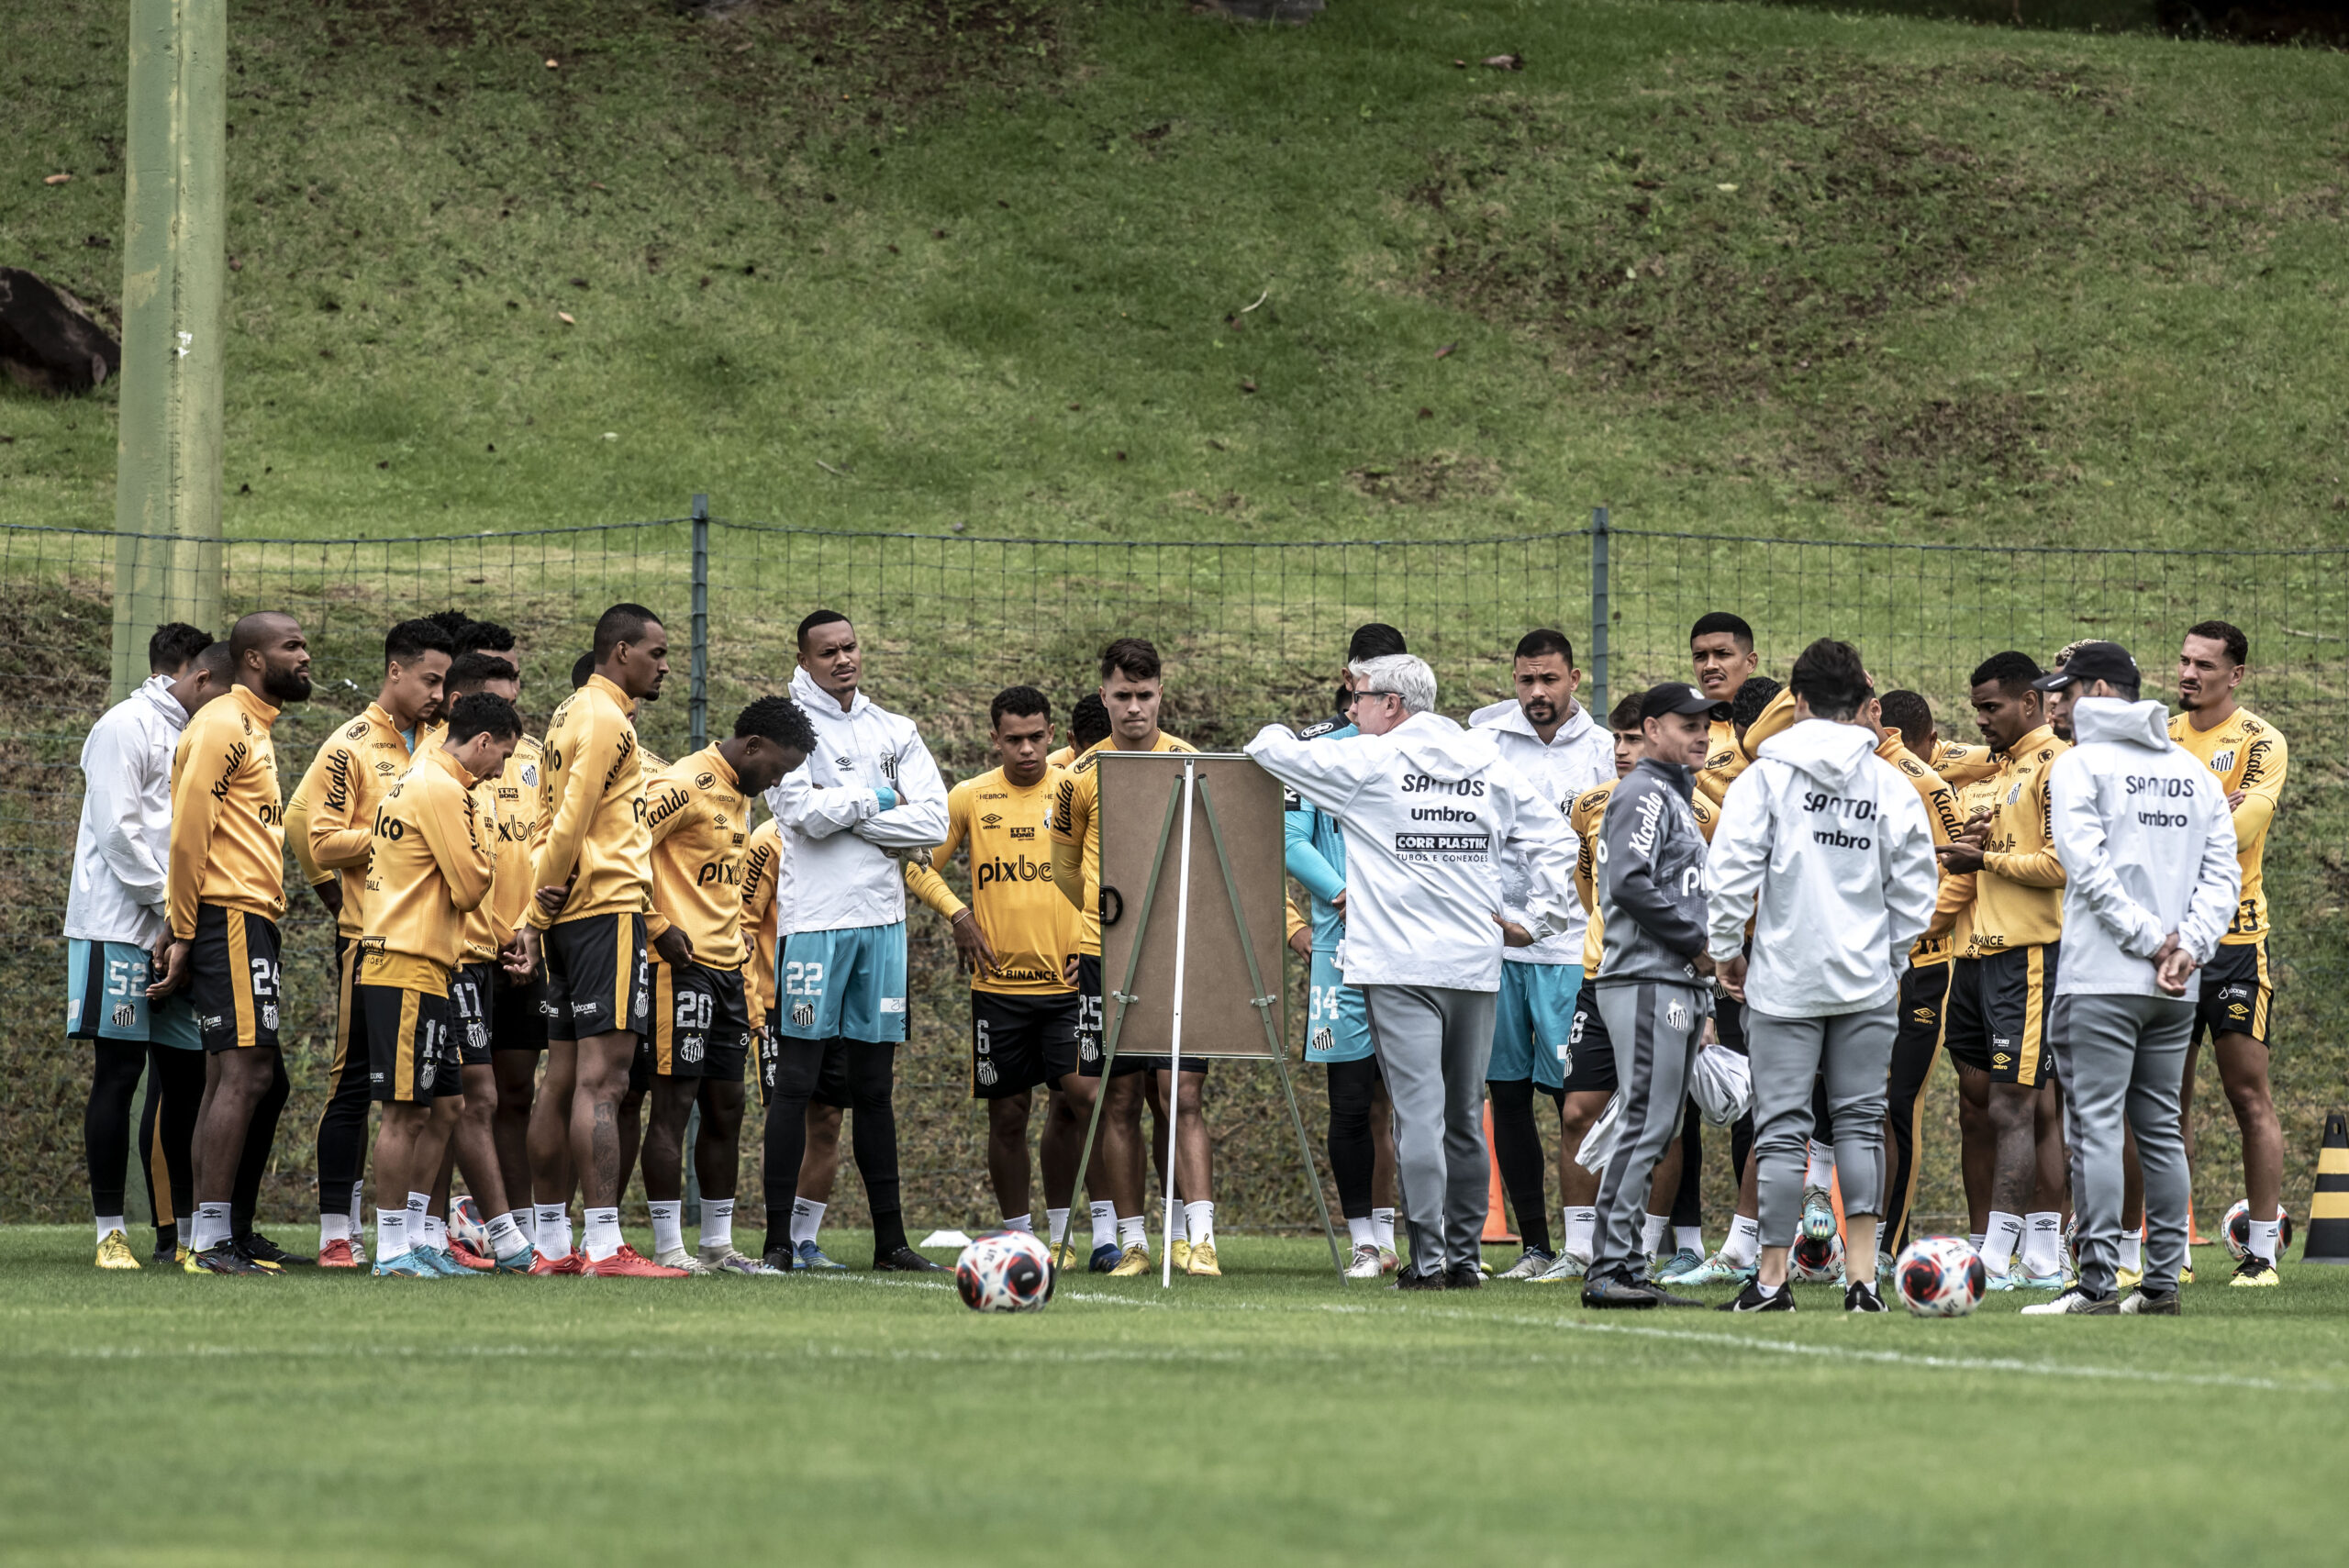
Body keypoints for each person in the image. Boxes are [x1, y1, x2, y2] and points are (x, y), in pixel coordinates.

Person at [1247, 652, 1576, 1290]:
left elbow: (1270, 751)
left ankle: (1426, 1262)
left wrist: (1287, 733)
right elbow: (1559, 841)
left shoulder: (1371, 761)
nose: (1351, 708)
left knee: (1418, 1115)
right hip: (1474, 964)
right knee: (1462, 1115)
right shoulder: (1485, 761)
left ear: (1392, 705)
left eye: (1360, 696)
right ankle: (1462, 1258)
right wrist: (1536, 921)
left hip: (1399, 966)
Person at [1705, 640, 1933, 1312]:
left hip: (1783, 980)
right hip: (1864, 981)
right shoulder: (1888, 782)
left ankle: (1772, 1279)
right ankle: (1863, 1280)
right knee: (1861, 1125)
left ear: (1798, 701)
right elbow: (1917, 889)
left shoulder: (1766, 778)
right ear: (1863, 701)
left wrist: (1727, 950)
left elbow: (1730, 874)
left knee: (1781, 1129)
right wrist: (1888, 958)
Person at [2022, 642, 2239, 1316]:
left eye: (2063, 689)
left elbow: (2086, 868)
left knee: (2092, 1129)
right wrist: (2189, 947)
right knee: (2160, 1130)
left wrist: (2152, 942)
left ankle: (2094, 1285)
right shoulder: (2192, 770)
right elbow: (2221, 879)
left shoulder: (2080, 765)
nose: (2054, 702)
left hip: (2102, 978)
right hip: (2176, 986)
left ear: (2099, 689)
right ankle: (2161, 1284)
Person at [762, 610, 951, 1273]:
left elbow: (935, 816)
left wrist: (845, 808)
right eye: (828, 652)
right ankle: (778, 1242)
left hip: (882, 923)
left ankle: (890, 1242)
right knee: (797, 1085)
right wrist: (876, 797)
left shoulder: (894, 728)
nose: (844, 659)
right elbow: (797, 814)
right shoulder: (789, 727)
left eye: (850, 647)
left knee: (874, 1088)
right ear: (805, 659)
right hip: (815, 925)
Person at [511, 603, 684, 1277]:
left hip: (569, 916)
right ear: (620, 650)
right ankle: (606, 1244)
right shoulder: (608, 719)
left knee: (561, 1080)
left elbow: (549, 817)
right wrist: (532, 912)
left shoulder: (566, 712)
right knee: (603, 1081)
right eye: (657, 652)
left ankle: (553, 1244)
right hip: (606, 910)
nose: (665, 664)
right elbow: (572, 821)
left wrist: (540, 907)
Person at [906, 686, 1100, 1260]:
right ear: (993, 738)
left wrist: (1093, 944)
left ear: (1054, 736)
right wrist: (958, 912)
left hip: (1069, 985)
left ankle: (1102, 1236)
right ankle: (1022, 1236)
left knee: (1086, 1100)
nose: (1025, 750)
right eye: (1013, 739)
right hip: (998, 990)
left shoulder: (1073, 790)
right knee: (1009, 1114)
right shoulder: (970, 797)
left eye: (1036, 737)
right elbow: (916, 866)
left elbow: (1112, 868)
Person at [286, 617, 454, 1266]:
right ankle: (337, 1230)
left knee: (428, 1094)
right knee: (354, 1083)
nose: (439, 693)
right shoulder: (350, 745)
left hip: (437, 943)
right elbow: (319, 837)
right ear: (395, 672)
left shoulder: (441, 743)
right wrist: (395, 830)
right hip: (369, 938)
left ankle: (414, 1235)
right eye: (429, 680)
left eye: (444, 681)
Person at [151, 612, 311, 1275]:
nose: (305, 656)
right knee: (245, 1072)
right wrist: (183, 929)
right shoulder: (222, 724)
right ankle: (211, 1239)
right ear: (251, 658)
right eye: (291, 646)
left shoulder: (254, 727)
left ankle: (211, 1235)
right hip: (229, 916)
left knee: (234, 1072)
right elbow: (189, 835)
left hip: (246, 918)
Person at [1546, 691, 1720, 1286]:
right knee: (1644, 1119)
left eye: (1706, 726)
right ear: (1651, 728)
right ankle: (1611, 1264)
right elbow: (1625, 881)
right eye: (1686, 725)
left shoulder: (1672, 791)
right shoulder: (1644, 789)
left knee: (1657, 1122)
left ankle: (1623, 1261)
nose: (1700, 735)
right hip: (1646, 975)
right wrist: (1697, 944)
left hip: (1669, 978)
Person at [637, 695, 813, 1275]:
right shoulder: (684, 783)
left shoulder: (738, 795)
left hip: (728, 972)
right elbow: (619, 848)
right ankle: (668, 1248)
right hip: (677, 968)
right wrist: (656, 925)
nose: (778, 781)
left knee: (727, 1107)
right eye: (778, 768)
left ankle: (716, 1245)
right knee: (674, 1104)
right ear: (753, 746)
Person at [66, 624, 223, 1269]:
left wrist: (185, 922)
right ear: (192, 674)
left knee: (185, 1080)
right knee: (120, 1072)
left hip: (178, 930)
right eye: (214, 683)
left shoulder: (197, 735)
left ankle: (182, 1235)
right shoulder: (122, 726)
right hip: (118, 928)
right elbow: (117, 830)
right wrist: (170, 909)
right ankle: (109, 1230)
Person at [1050, 638, 1204, 1276]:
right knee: (1115, 1101)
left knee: (1180, 1095)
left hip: (1177, 955)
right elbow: (1064, 870)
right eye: (1122, 695)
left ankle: (1197, 1238)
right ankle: (1135, 1242)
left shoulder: (1193, 762)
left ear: (1161, 693)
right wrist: (1106, 917)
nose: (1134, 707)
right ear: (1104, 694)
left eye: (1145, 695)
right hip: (1102, 957)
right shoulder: (1079, 776)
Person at [360, 691, 522, 1275]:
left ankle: (421, 1238)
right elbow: (473, 886)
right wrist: (485, 851)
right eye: (500, 756)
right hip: (404, 962)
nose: (500, 771)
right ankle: (390, 1250)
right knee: (404, 1111)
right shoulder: (440, 787)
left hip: (430, 964)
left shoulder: (432, 779)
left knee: (448, 1104)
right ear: (481, 741)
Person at [1469, 630, 1613, 1279]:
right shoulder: (1486, 740)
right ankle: (1533, 1245)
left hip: (1568, 949)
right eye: (1526, 680)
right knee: (1507, 1095)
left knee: (1574, 1100)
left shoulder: (1605, 748)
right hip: (1498, 948)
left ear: (1574, 678)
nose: (1537, 693)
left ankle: (1587, 1240)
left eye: (1549, 680)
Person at [1935, 652, 2070, 1290]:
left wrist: (1984, 858)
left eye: (1992, 707)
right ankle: (2032, 1252)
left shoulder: (2056, 766)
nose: (1982, 719)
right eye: (1977, 708)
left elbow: (2058, 865)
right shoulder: (1999, 771)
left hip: (2027, 956)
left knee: (2017, 1104)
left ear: (2031, 702)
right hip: (1973, 959)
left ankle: (2000, 1255)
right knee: (1987, 1102)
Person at [2169, 620, 2291, 1285]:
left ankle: (2264, 1253)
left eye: (2204, 665)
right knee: (2168, 1102)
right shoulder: (2159, 737)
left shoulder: (2261, 740)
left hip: (2238, 941)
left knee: (2248, 1094)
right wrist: (2216, 805)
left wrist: (2185, 816)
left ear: (2235, 674)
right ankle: (2172, 1251)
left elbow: (2246, 827)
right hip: (2172, 942)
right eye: (2184, 661)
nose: (2189, 673)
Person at [1285, 625, 1408, 1279]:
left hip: (1417, 944)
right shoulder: (1316, 751)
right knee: (1352, 1098)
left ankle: (1417, 1238)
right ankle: (1366, 1239)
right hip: (1342, 946)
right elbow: (1289, 837)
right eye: (1366, 677)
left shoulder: (1430, 751)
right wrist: (1344, 896)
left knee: (1417, 1097)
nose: (1375, 690)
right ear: (1349, 677)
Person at [1869, 690, 1972, 1263]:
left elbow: (1960, 869)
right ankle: (1843, 1237)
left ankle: (1891, 1244)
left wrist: (1908, 931)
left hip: (1921, 966)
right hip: (1862, 964)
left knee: (1897, 1102)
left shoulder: (1919, 779)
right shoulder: (1850, 772)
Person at [739, 815, 854, 1272]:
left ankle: (806, 1240)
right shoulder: (768, 839)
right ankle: (780, 1237)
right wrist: (754, 1003)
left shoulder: (848, 829)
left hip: (839, 1003)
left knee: (827, 1120)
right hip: (779, 1004)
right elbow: (743, 924)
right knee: (783, 1114)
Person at [1046, 694, 1110, 770]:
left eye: (1105, 756)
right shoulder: (1051, 769)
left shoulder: (1125, 763)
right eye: (1088, 758)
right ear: (1071, 740)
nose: (1095, 766)